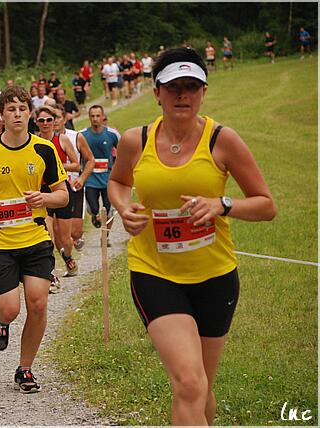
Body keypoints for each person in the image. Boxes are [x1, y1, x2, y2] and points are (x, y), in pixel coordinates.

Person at [108, 47, 277, 425]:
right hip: (156, 272)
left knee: (201, 387)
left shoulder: (222, 139)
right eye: (173, 87)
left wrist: (223, 204)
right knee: (188, 382)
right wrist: (124, 208)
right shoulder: (137, 140)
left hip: (215, 277)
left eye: (191, 86)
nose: (183, 94)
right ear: (157, 93)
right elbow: (118, 182)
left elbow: (266, 205)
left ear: (203, 92)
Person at [0, 85, 69, 394]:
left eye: (22, 109)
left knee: (38, 302)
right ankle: (0, 320)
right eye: (11, 109)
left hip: (35, 237)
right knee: (10, 309)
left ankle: (25, 368)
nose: (17, 114)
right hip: (0, 241)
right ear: (2, 115)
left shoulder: (43, 150)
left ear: (30, 113)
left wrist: (44, 197)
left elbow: (63, 195)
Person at [35, 105, 80, 286]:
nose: (45, 123)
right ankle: (50, 274)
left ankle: (67, 256)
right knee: (48, 236)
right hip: (42, 192)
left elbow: (76, 165)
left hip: (61, 190)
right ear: (36, 122)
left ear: (54, 122)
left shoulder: (62, 140)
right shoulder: (33, 141)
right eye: (41, 120)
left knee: (65, 239)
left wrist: (56, 167)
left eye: (48, 120)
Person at [54, 105, 95, 252]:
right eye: (51, 118)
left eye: (58, 117)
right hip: (55, 188)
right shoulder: (41, 139)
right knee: (56, 230)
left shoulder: (76, 137)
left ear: (64, 119)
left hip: (74, 186)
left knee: (74, 232)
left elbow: (90, 160)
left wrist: (82, 178)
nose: (54, 121)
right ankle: (67, 259)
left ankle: (74, 240)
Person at [81, 105, 120, 242]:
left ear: (103, 116)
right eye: (92, 116)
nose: (95, 119)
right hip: (90, 179)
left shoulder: (112, 134)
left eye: (98, 116)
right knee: (93, 208)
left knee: (108, 211)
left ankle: (106, 236)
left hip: (108, 179)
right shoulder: (83, 135)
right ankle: (94, 215)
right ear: (89, 117)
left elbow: (123, 152)